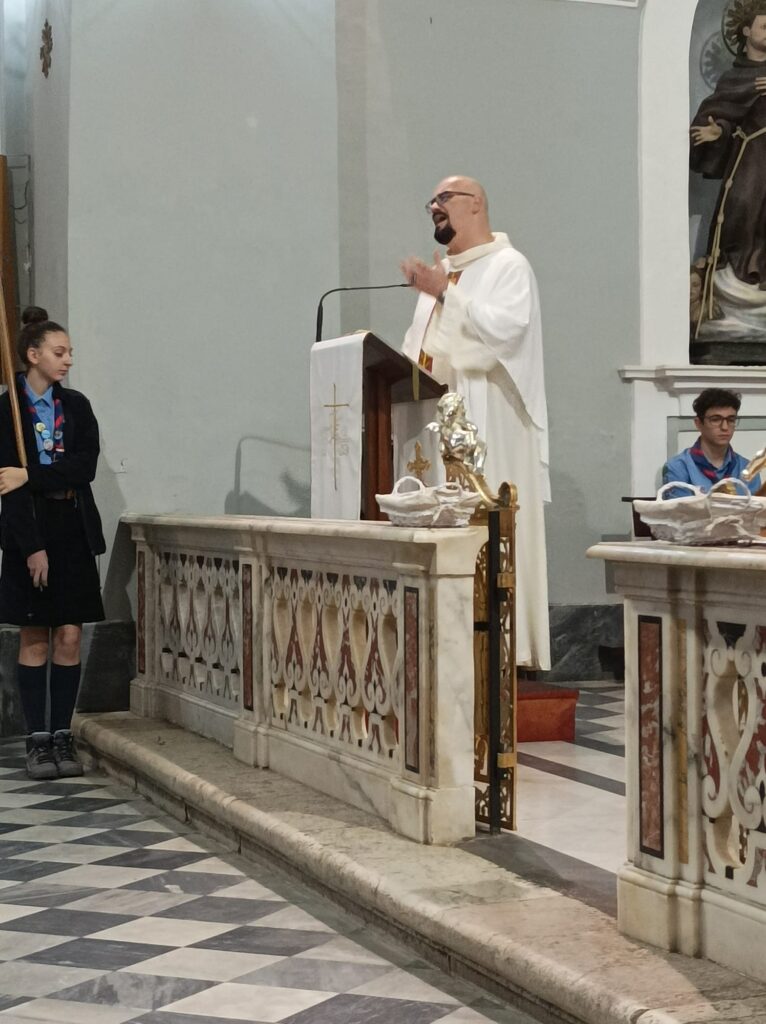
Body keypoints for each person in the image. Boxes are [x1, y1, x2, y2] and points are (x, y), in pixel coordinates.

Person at [400, 175, 550, 670]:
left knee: (488, 525)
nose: (434, 209)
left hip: (492, 420)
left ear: (475, 204)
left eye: (443, 199)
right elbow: (422, 354)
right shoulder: (444, 275)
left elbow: (504, 336)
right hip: (441, 418)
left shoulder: (509, 265)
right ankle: (450, 641)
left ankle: (504, 649)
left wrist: (448, 295)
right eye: (432, 203)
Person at [0, 307, 105, 779]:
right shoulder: (8, 412)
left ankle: (63, 734)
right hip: (30, 530)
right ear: (32, 354)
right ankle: (38, 739)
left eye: (70, 354)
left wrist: (33, 475)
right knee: (36, 635)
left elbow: (84, 469)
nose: (67, 361)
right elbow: (9, 486)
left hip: (72, 524)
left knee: (69, 634)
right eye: (59, 353)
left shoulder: (76, 406)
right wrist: (31, 547)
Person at [690, 5, 766, 336]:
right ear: (746, 31)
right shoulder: (734, 78)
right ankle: (740, 277)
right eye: (764, 25)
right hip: (749, 157)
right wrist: (718, 131)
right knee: (742, 209)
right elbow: (723, 111)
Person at [662, 387, 761, 493]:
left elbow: (756, 509)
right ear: (698, 423)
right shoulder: (678, 467)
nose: (724, 427)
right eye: (715, 419)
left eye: (731, 420)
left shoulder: (748, 469)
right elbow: (681, 509)